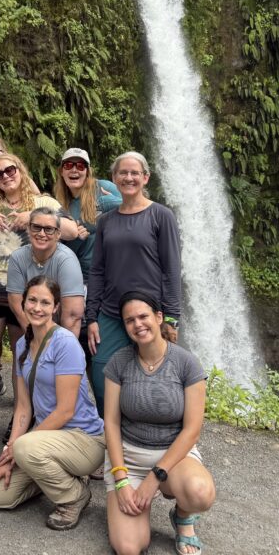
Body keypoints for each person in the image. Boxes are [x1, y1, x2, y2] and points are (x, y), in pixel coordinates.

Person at [0, 277, 105, 530]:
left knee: (25, 448)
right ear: (24, 302)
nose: (37, 308)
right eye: (33, 300)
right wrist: (6, 454)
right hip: (46, 441)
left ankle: (75, 496)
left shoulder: (65, 343)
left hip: (85, 440)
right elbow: (23, 409)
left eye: (45, 302)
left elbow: (65, 411)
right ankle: (52, 476)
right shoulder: (21, 345)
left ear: (56, 307)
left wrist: (19, 448)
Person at [104, 292, 214, 555]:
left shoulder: (186, 363)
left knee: (200, 493)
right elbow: (110, 422)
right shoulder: (119, 362)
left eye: (143, 316)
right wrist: (121, 480)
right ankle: (138, 507)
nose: (138, 324)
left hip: (174, 457)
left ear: (158, 317)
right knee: (129, 547)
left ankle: (183, 518)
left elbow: (192, 430)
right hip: (128, 458)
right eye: (130, 320)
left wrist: (154, 478)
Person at [0, 153, 77, 389]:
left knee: (22, 356)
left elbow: (72, 231)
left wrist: (33, 217)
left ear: (20, 170)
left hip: (28, 296)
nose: (5, 176)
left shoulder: (42, 202)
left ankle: (20, 413)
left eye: (10, 170)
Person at [86, 151, 183, 414]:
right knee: (101, 371)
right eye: (123, 173)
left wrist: (171, 318)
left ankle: (148, 435)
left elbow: (171, 270)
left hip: (150, 315)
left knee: (154, 375)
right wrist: (91, 317)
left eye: (134, 173)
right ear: (114, 178)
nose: (129, 178)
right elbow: (97, 271)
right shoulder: (105, 221)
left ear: (145, 177)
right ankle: (111, 432)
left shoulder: (161, 216)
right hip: (110, 312)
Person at [5, 207, 85, 337]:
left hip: (64, 328)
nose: (41, 234)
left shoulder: (66, 260)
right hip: (30, 324)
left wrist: (60, 347)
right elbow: (17, 305)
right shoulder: (17, 258)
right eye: (36, 227)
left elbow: (72, 315)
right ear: (28, 229)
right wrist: (37, 339)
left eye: (48, 229)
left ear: (58, 234)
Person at [53, 147, 121, 281]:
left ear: (87, 171)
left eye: (80, 166)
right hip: (83, 277)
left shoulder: (104, 188)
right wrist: (77, 238)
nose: (74, 170)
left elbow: (137, 207)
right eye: (68, 165)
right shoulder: (63, 208)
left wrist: (107, 202)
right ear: (62, 171)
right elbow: (63, 250)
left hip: (115, 271)